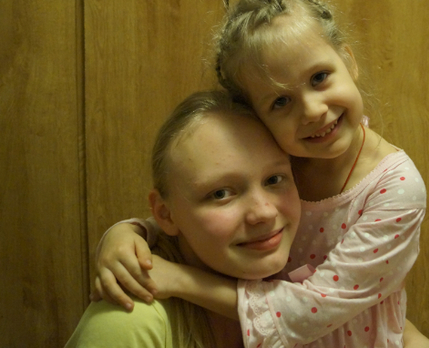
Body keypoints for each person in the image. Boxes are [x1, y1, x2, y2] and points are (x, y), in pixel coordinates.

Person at [93, 0, 429, 347]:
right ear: (257, 116)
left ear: (348, 62)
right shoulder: (283, 154)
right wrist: (129, 234)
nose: (313, 111)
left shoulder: (396, 187)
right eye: (281, 101)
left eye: (319, 77)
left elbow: (311, 310)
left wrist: (180, 280)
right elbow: (199, 208)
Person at [66, 90, 302, 347]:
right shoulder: (128, 323)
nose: (265, 213)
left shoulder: (313, 261)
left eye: (274, 179)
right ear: (165, 214)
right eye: (221, 193)